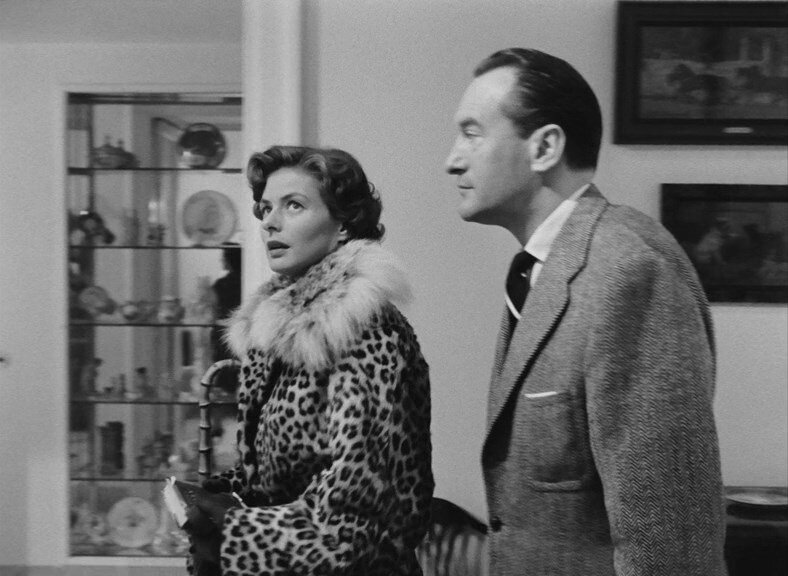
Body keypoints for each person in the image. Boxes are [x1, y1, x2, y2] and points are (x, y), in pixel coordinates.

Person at [445, 48, 726, 575]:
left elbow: (669, 534)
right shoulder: (542, 269)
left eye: (472, 133)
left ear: (544, 147)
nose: (453, 160)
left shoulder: (628, 271)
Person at [185, 145, 434, 576]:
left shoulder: (360, 330)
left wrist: (231, 529)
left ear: (343, 224)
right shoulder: (282, 327)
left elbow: (351, 526)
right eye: (266, 208)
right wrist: (211, 498)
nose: (270, 222)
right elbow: (269, 478)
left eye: (294, 205)